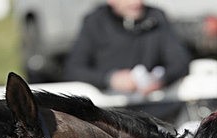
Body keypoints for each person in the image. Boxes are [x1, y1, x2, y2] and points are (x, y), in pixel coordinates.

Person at [63, 0, 191, 96]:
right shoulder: (95, 21)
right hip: (110, 113)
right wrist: (110, 79)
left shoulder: (156, 17)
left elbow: (180, 61)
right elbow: (73, 69)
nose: (136, 2)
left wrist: (161, 79)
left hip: (154, 109)